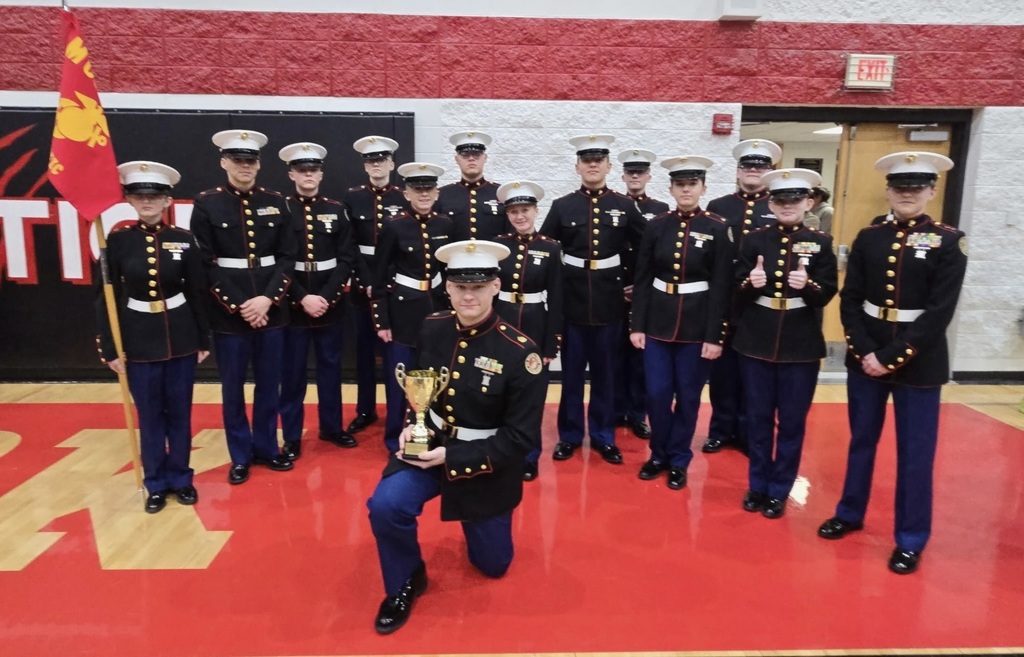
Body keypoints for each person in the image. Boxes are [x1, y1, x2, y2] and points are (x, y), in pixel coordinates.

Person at [366, 239, 545, 635]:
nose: (468, 294)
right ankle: (405, 580)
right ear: (446, 287)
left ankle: (477, 520)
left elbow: (520, 438)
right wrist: (411, 430)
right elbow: (421, 387)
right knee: (386, 506)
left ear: (496, 287)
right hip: (427, 443)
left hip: (485, 460)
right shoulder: (432, 328)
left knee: (493, 566)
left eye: (478, 286)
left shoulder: (521, 354)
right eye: (459, 285)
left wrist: (452, 458)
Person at [817, 152, 965, 576]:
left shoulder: (950, 242)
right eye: (900, 187)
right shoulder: (869, 237)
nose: (907, 194)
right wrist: (863, 352)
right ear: (888, 190)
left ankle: (911, 538)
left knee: (915, 454)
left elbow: (939, 313)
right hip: (866, 355)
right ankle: (849, 511)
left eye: (916, 187)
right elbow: (850, 299)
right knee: (861, 441)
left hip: (919, 361)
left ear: (931, 192)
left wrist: (890, 358)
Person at [95, 161, 210, 513]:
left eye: (155, 196)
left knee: (179, 413)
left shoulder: (183, 240)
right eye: (139, 195)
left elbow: (198, 292)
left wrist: (203, 339)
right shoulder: (116, 241)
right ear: (129, 200)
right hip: (137, 339)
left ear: (167, 200)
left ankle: (181, 478)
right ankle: (155, 482)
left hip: (180, 336)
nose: (147, 202)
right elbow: (106, 297)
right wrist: (111, 346)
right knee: (149, 416)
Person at [190, 129, 296, 484]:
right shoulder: (207, 203)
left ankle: (266, 447)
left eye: (250, 160)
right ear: (224, 162)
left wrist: (267, 299)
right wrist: (240, 304)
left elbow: (287, 256)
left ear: (259, 164)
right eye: (237, 160)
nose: (245, 166)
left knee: (269, 384)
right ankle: (239, 454)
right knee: (232, 387)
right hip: (229, 313)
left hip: (272, 306)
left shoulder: (277, 201)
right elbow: (204, 262)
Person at [733, 168, 838, 518]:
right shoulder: (755, 240)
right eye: (780, 200)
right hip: (757, 341)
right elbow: (736, 291)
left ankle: (780, 488)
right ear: (771, 202)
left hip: (800, 345)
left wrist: (807, 286)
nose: (787, 206)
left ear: (808, 202)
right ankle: (757, 485)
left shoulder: (821, 242)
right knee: (758, 419)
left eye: (794, 200)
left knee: (792, 422)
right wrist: (751, 282)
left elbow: (826, 295)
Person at [539, 134, 645, 466]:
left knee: (605, 375)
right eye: (587, 160)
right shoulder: (562, 205)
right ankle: (570, 436)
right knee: (570, 375)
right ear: (578, 167)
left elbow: (646, 248)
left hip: (609, 304)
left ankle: (602, 436)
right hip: (571, 303)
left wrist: (635, 285)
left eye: (598, 160)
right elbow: (546, 249)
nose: (593, 165)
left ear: (609, 166)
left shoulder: (625, 206)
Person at [629, 156, 731, 490]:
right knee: (657, 394)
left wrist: (715, 335)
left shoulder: (716, 226)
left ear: (703, 187)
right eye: (680, 185)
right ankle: (658, 454)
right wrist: (637, 325)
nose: (686, 190)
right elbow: (643, 278)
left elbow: (720, 285)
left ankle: (679, 459)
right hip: (658, 322)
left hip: (696, 326)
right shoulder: (657, 224)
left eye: (692, 184)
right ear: (671, 188)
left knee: (688, 397)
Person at [278, 142, 359, 460]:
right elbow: (278, 261)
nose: (308, 175)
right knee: (293, 373)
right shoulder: (281, 209)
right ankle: (292, 435)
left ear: (321, 173)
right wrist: (301, 297)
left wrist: (325, 297)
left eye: (313, 170)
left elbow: (346, 259)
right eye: (302, 170)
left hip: (329, 303)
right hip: (294, 304)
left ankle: (331, 427)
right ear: (291, 174)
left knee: (330, 368)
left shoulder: (336, 210)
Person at [702, 139, 782, 455]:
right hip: (725, 298)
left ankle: (750, 430)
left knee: (755, 372)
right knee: (722, 371)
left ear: (769, 171)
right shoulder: (720, 207)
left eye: (760, 166)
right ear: (737, 171)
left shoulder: (776, 207)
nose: (753, 170)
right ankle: (721, 429)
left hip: (761, 303)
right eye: (747, 165)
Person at [372, 162, 453, 454]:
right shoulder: (394, 227)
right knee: (400, 379)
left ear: (436, 192)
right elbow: (378, 277)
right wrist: (381, 321)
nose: (423, 194)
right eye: (417, 189)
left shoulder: (445, 224)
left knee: (433, 376)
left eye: (428, 189)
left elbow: (450, 270)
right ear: (406, 193)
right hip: (403, 310)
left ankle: (429, 431)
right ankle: (396, 437)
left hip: (436, 309)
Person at [493, 180, 563, 481]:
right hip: (503, 320)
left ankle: (529, 454)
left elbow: (558, 298)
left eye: (525, 210)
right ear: (507, 215)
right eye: (514, 212)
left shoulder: (550, 247)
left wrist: (551, 344)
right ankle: (498, 449)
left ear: (536, 211)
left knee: (532, 394)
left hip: (535, 322)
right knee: (497, 390)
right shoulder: (497, 246)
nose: (519, 217)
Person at [342, 136, 406, 435]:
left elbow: (406, 246)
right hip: (361, 284)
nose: (376, 165)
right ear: (365, 166)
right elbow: (348, 243)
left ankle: (400, 412)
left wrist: (383, 280)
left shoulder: (404, 197)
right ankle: (365, 409)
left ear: (392, 163)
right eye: (371, 160)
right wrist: (365, 280)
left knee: (393, 353)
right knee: (364, 352)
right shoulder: (353, 197)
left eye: (382, 159)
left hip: (393, 287)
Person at [615, 148, 670, 440]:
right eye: (630, 171)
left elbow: (662, 255)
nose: (635, 176)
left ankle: (637, 414)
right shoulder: (613, 204)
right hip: (613, 292)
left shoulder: (661, 209)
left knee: (640, 359)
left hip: (644, 293)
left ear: (649, 176)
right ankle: (614, 411)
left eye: (641, 171)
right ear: (623, 175)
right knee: (614, 356)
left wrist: (642, 287)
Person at [436, 130, 508, 242]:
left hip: (492, 258)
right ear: (457, 159)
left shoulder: (501, 193)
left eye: (477, 154)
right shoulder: (441, 195)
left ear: (485, 158)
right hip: (454, 258)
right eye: (465, 155)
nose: (471, 159)